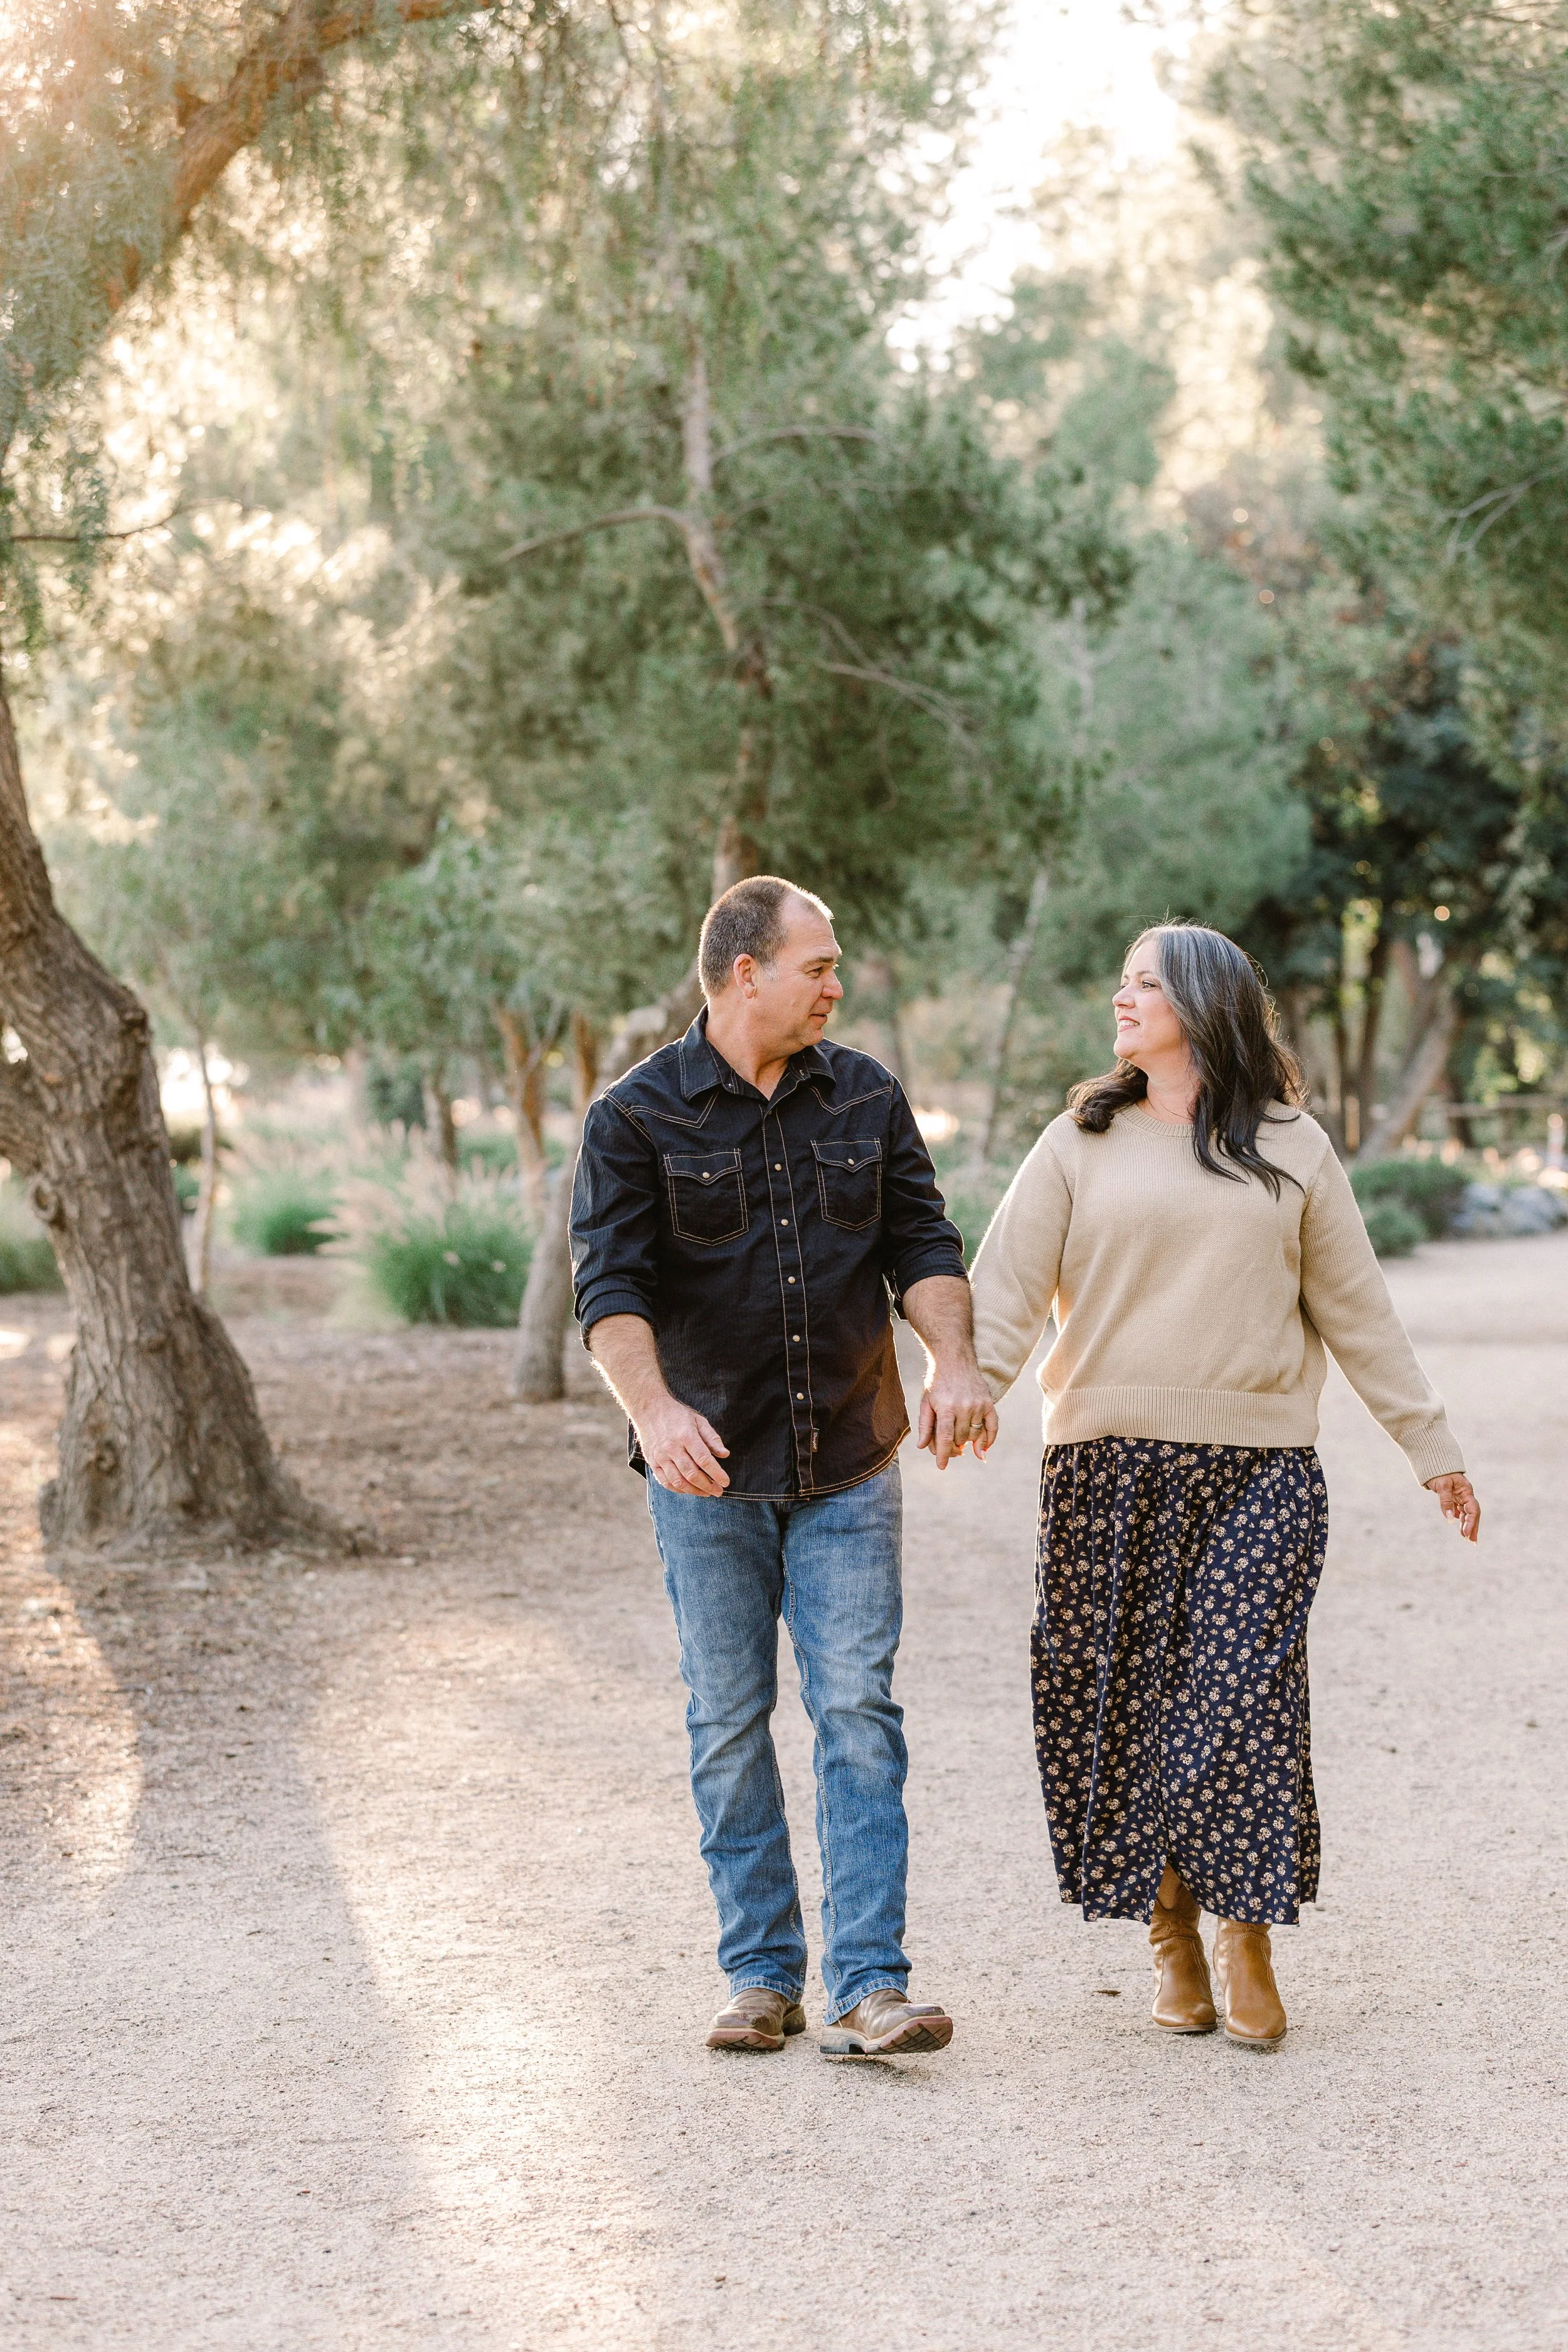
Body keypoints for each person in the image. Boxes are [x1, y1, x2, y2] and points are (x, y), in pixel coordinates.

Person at [968, 922, 1480, 2050]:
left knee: (1239, 1693)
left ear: (1204, 1004)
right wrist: (968, 1384)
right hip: (1106, 1466)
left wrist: (1429, 1442)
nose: (1121, 995)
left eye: (1144, 982)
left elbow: (1358, 1310)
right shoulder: (1079, 1140)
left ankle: (1247, 1931)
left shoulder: (1293, 1147)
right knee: (1129, 1707)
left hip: (1262, 1469)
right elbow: (1004, 1284)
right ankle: (1172, 1933)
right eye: (1122, 979)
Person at [570, 875, 998, 2058]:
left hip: (851, 1459)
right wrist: (652, 1412)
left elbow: (921, 1239)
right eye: (818, 964)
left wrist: (953, 1361)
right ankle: (761, 1975)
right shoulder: (636, 1116)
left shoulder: (864, 1093)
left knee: (858, 1709)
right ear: (745, 971)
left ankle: (873, 1985)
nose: (836, 984)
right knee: (728, 1719)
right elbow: (608, 1288)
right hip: (706, 1479)